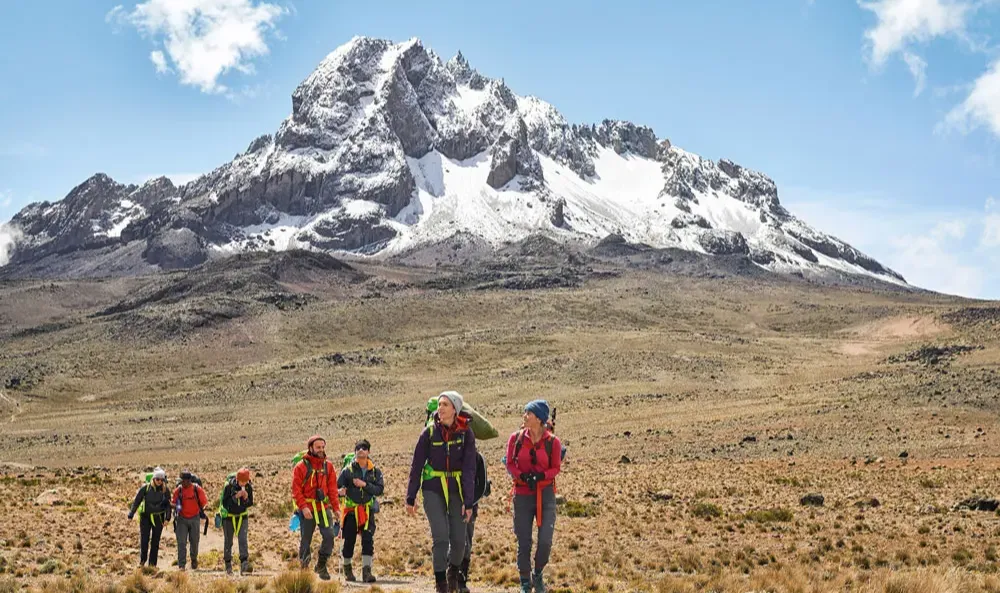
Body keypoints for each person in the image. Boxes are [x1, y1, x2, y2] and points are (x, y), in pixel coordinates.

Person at [406, 391, 477, 593]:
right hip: (432, 489)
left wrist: (469, 501)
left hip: (457, 490)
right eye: (439, 404)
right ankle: (441, 585)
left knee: (459, 541)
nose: (441, 408)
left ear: (455, 408)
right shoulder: (428, 433)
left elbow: (470, 469)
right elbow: (416, 466)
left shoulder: (466, 434)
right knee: (441, 538)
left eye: (445, 404)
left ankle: (453, 574)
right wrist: (410, 497)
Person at [505, 400, 562, 593]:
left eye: (528, 413)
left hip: (545, 495)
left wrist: (541, 476)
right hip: (522, 494)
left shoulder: (553, 442)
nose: (524, 416)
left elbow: (556, 468)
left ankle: (537, 572)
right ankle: (525, 582)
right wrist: (521, 476)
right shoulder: (516, 438)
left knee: (545, 540)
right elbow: (510, 464)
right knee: (524, 541)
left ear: (538, 418)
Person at [292, 434, 341, 581]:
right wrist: (303, 507)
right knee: (306, 539)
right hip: (307, 508)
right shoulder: (300, 467)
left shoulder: (328, 466)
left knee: (329, 536)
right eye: (318, 447)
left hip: (323, 507)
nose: (321, 450)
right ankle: (304, 570)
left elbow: (332, 490)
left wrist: (337, 508)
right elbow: (296, 490)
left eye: (323, 447)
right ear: (311, 448)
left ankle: (321, 564)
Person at [338, 439, 385, 583]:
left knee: (368, 539)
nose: (361, 450)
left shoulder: (375, 472)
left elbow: (379, 489)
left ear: (369, 452)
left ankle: (366, 572)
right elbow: (337, 487)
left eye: (364, 448)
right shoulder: (348, 470)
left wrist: (364, 485)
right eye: (358, 448)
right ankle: (347, 570)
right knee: (349, 540)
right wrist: (340, 491)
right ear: (355, 451)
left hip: (367, 509)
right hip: (352, 509)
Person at [127, 467, 172, 568]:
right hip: (145, 518)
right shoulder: (145, 488)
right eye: (158, 479)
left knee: (155, 541)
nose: (160, 482)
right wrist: (131, 514)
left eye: (162, 480)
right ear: (153, 479)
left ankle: (152, 565)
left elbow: (168, 505)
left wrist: (167, 518)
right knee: (144, 540)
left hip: (158, 518)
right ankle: (142, 561)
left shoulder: (166, 490)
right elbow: (137, 501)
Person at [220, 467, 254, 575]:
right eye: (242, 481)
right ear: (237, 479)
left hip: (242, 517)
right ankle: (228, 564)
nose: (243, 484)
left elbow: (250, 503)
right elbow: (225, 503)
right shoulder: (229, 487)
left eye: (246, 481)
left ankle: (244, 564)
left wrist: (246, 498)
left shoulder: (248, 487)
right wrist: (235, 497)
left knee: (243, 540)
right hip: (229, 517)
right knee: (228, 541)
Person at [172, 470, 208, 571]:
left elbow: (204, 502)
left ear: (189, 481)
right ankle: (181, 565)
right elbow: (173, 502)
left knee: (194, 541)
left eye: (184, 481)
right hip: (181, 519)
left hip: (194, 518)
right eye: (181, 481)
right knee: (181, 542)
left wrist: (204, 508)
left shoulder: (197, 489)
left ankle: (193, 559)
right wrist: (174, 506)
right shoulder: (178, 491)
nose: (182, 483)